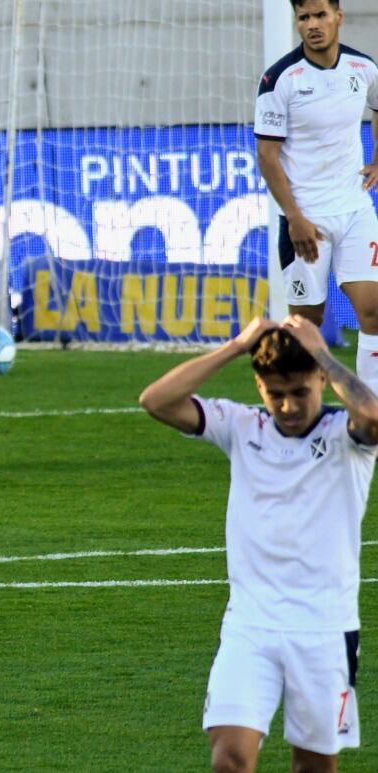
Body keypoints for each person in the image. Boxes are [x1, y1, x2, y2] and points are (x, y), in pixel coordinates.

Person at [139, 315, 377, 772]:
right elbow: (156, 400)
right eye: (275, 394)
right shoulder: (242, 427)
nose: (287, 407)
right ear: (259, 387)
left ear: (321, 380)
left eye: (299, 392)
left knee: (312, 766)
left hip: (324, 629)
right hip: (250, 626)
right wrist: (236, 345)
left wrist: (321, 350)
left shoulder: (347, 439)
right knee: (229, 758)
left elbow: (372, 416)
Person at [256, 0, 378, 388]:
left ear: (338, 17)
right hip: (305, 217)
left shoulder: (363, 68)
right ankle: (302, 416)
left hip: (355, 208)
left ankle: (372, 414)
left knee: (374, 310)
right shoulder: (279, 80)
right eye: (303, 17)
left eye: (320, 14)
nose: (312, 23)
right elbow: (267, 157)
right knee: (307, 323)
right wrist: (294, 217)